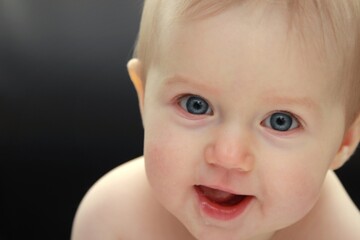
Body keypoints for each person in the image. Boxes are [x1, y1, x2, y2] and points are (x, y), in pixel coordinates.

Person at [71, 1, 360, 239]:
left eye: (280, 121)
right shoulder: (113, 221)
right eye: (196, 105)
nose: (228, 156)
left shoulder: (341, 232)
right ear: (144, 97)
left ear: (343, 142)